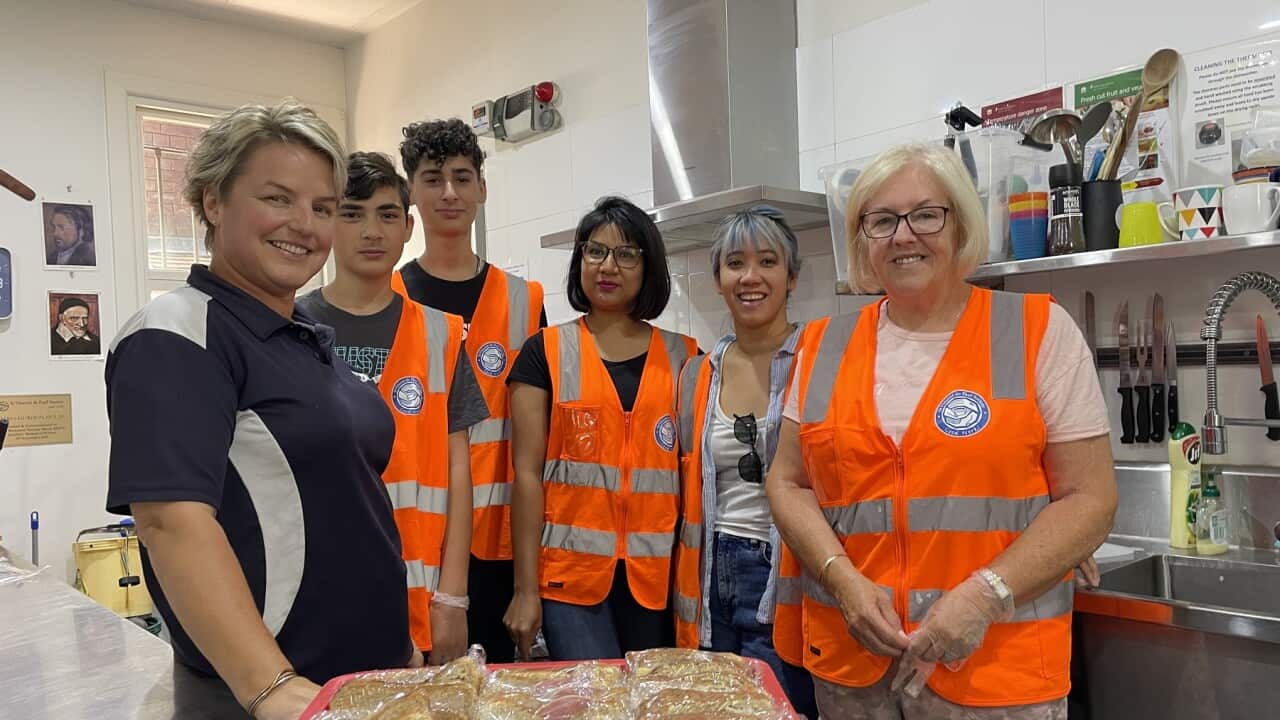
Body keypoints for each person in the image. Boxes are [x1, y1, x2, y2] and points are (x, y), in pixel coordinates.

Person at [766, 142, 1117, 720]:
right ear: (861, 240)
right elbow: (788, 482)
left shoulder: (1036, 330)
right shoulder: (823, 345)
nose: (903, 236)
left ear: (961, 225)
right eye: (881, 221)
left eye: (926, 214)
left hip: (995, 673)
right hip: (856, 670)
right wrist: (843, 583)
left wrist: (985, 596)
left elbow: (1091, 498)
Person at [105, 100, 415, 720]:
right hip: (273, 693)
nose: (304, 224)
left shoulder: (306, 340)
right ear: (213, 201)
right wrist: (271, 686)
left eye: (322, 208)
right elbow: (170, 522)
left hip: (366, 679)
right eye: (278, 198)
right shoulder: (177, 333)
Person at [295, 151, 489, 665]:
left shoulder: (441, 335)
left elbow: (459, 467)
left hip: (419, 590)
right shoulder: (291, 327)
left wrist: (453, 595)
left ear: (408, 227)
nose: (371, 231)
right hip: (314, 590)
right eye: (351, 213)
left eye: (386, 215)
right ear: (327, 222)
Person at [504, 196, 697, 661]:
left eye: (626, 254)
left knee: (652, 699)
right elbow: (526, 476)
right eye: (596, 251)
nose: (608, 266)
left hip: (658, 582)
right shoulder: (544, 351)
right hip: (569, 583)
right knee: (592, 698)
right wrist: (524, 590)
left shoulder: (686, 359)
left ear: (648, 268)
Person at [397, 118, 545, 663]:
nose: (449, 193)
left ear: (482, 188)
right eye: (432, 179)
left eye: (462, 178)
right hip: (416, 542)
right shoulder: (388, 296)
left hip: (503, 546)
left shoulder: (524, 300)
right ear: (412, 192)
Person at [672, 205, 817, 718]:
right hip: (709, 575)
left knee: (780, 706)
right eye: (735, 263)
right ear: (718, 279)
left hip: (788, 574)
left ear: (792, 276)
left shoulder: (820, 360)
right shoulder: (697, 374)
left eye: (768, 262)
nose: (750, 276)